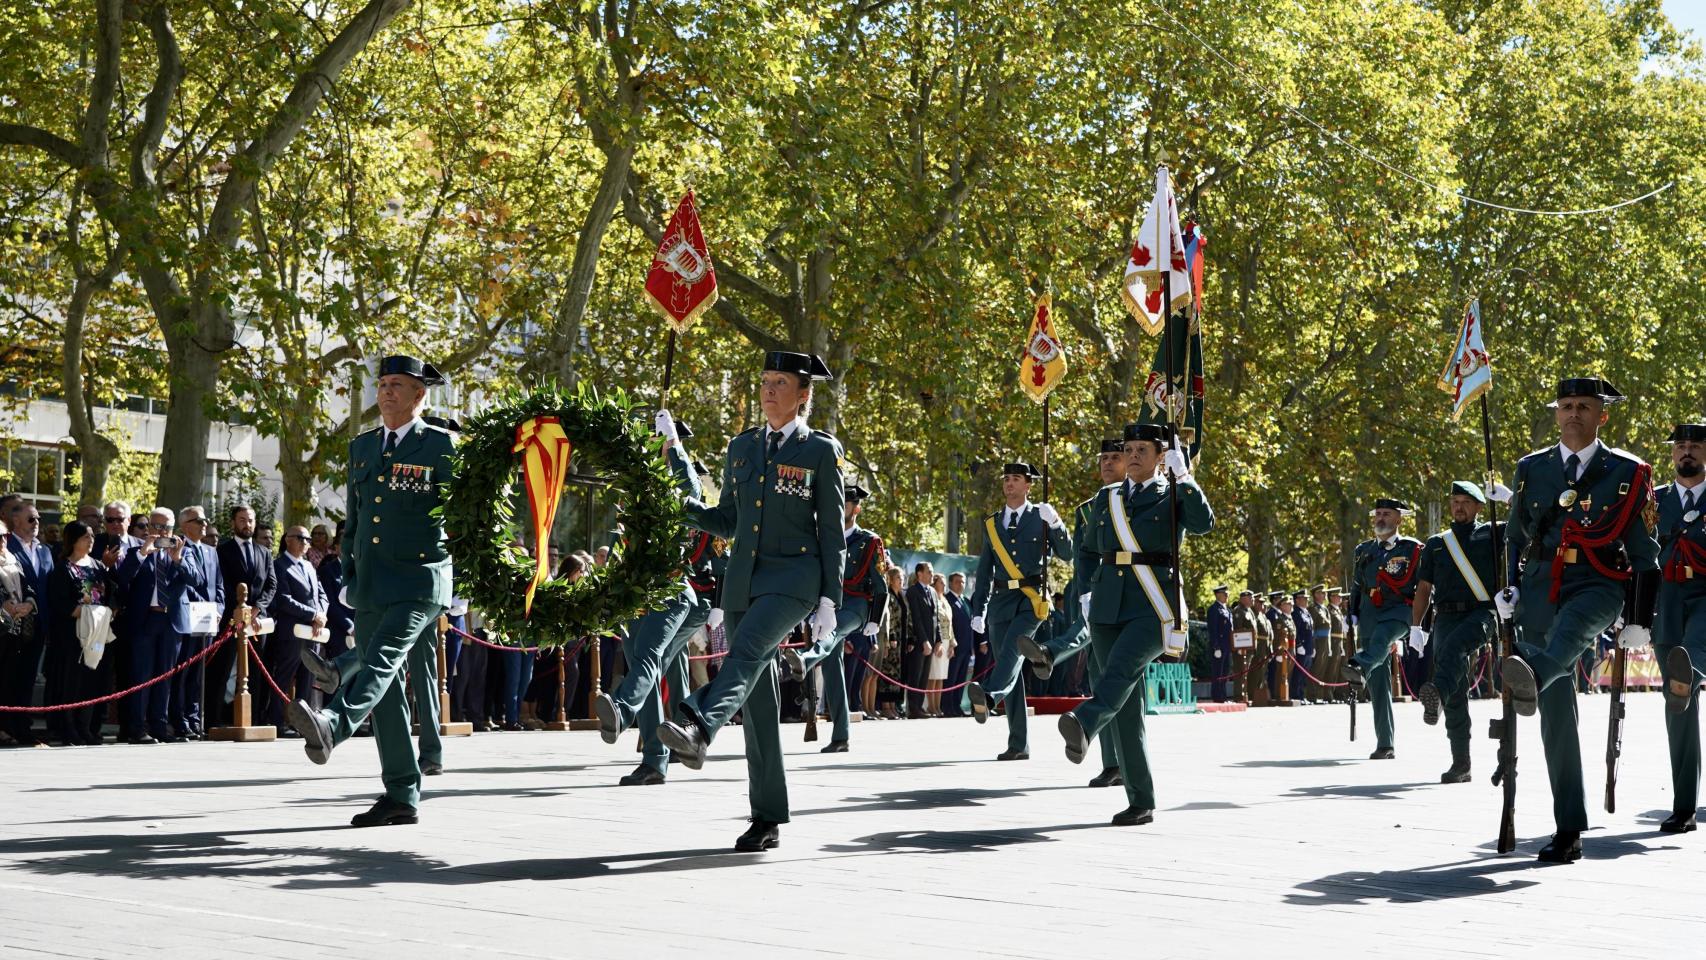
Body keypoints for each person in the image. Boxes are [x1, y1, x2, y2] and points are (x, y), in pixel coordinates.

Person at [656, 350, 845, 852]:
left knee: (745, 655)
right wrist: (680, 497)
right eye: (764, 381)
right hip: (742, 580)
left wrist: (831, 598)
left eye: (780, 382)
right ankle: (766, 817)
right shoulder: (741, 448)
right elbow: (728, 521)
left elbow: (831, 532)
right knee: (757, 699)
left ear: (803, 395)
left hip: (794, 580)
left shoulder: (820, 452)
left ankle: (696, 722)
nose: (767, 390)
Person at [289, 354, 457, 828]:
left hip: (420, 580)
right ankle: (401, 793)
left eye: (397, 384)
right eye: (382, 383)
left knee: (381, 662)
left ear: (420, 394)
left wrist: (461, 578)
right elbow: (358, 518)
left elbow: (467, 519)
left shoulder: (442, 446)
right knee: (385, 694)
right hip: (372, 582)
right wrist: (349, 574)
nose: (385, 392)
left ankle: (333, 724)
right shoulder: (363, 447)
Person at [1497, 377, 1660, 862]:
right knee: (1555, 714)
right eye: (1566, 406)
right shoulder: (1532, 468)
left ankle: (1532, 676)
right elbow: (1514, 535)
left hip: (1598, 583)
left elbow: (1645, 555)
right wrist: (1507, 585)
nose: (1573, 414)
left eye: (1583, 407)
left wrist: (1640, 618)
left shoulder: (1628, 473)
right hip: (1540, 588)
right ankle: (1568, 825)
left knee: (1565, 640)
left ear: (1601, 416)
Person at [1058, 422, 1214, 825]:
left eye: (1142, 449)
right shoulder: (1106, 497)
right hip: (1108, 604)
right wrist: (1086, 592)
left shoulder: (1175, 493)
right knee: (1125, 704)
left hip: (1153, 605)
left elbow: (1203, 524)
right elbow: (1087, 550)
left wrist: (1186, 477)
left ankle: (1085, 721)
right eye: (1128, 448)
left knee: (1122, 670)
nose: (1132, 456)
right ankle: (1140, 800)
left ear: (1161, 455)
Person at [592, 416, 719, 783]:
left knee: (650, 658)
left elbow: (690, 486)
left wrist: (674, 446)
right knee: (646, 670)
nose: (652, 446)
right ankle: (654, 759)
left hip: (672, 590)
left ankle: (620, 709)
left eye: (657, 441)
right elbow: (622, 545)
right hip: (636, 596)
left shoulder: (678, 486)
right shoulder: (636, 491)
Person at [966, 461, 1072, 761]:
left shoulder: (1041, 517)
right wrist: (979, 609)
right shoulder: (992, 523)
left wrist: (1056, 524)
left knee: (1014, 650)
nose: (1009, 484)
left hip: (1031, 600)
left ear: (1028, 485)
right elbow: (985, 570)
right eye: (1007, 479)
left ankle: (989, 696)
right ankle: (1018, 744)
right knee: (1009, 667)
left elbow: (1067, 554)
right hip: (1000, 601)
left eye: (1016, 479)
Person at [1411, 481, 1504, 784]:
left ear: (1479, 506)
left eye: (1466, 501)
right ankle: (1461, 764)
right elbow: (1424, 588)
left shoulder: (1493, 533)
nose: (1459, 507)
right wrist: (1416, 626)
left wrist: (1509, 498)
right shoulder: (1437, 543)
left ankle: (1435, 693)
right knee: (1455, 691)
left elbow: (1528, 526)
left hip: (1482, 612)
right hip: (1446, 617)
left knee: (1451, 655)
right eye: (1454, 501)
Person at [782, 482, 885, 751]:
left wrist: (875, 619)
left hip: (857, 605)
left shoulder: (869, 541)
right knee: (832, 669)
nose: (842, 508)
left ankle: (804, 660)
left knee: (834, 630)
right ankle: (841, 736)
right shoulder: (825, 537)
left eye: (848, 504)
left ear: (857, 508)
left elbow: (881, 585)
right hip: (830, 604)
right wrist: (810, 609)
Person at [1342, 498, 1424, 759]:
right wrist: (1351, 613)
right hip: (1368, 613)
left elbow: (1424, 588)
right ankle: (1385, 744)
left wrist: (1421, 625)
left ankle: (1359, 666)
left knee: (1381, 639)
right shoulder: (1363, 550)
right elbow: (1357, 585)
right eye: (1377, 514)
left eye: (1386, 514)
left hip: (1399, 611)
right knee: (1379, 684)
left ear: (1399, 519)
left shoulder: (1412, 549)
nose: (1380, 518)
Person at [1655, 423, 1706, 833]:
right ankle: (1684, 805)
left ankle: (1689, 672)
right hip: (1667, 606)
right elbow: (1635, 557)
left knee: (1686, 665)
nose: (1686, 451)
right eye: (1681, 446)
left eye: (1695, 445)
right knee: (1678, 701)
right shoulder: (1652, 503)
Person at [210, 505, 277, 728]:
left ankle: (253, 718)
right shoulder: (222, 551)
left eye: (250, 520)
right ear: (232, 523)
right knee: (224, 668)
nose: (246, 524)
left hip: (256, 622)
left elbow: (271, 585)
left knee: (256, 671)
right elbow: (222, 583)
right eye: (241, 520)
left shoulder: (264, 552)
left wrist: (257, 608)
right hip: (232, 618)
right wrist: (240, 609)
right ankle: (216, 717)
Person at [45, 521, 111, 745]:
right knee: (71, 682)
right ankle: (68, 727)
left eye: (92, 536)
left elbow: (110, 593)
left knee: (92, 682)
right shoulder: (63, 568)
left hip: (96, 634)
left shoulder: (98, 566)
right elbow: (59, 602)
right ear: (73, 540)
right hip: (72, 635)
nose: (91, 540)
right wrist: (84, 612)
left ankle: (86, 726)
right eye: (86, 537)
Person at [166, 507, 223, 740]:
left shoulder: (210, 551)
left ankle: (195, 718)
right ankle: (180, 720)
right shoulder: (178, 548)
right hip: (188, 616)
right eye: (198, 520)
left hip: (208, 619)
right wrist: (204, 606)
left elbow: (218, 584)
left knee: (199, 673)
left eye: (205, 520)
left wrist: (217, 608)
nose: (203, 524)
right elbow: (186, 585)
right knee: (184, 671)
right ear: (184, 525)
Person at [268, 525, 330, 729]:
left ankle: (303, 724)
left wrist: (320, 614)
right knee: (284, 677)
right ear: (288, 539)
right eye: (301, 538)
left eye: (308, 539)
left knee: (307, 678)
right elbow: (284, 599)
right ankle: (277, 721)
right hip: (292, 631)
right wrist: (312, 614)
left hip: (313, 631)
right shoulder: (280, 565)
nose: (306, 542)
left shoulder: (310, 566)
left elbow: (321, 595)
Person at [3, 502, 54, 744]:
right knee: (10, 676)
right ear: (16, 522)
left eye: (38, 519)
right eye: (31, 519)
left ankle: (23, 726)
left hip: (38, 622)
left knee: (27, 678)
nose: (37, 524)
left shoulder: (44, 550)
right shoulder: (7, 545)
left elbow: (46, 587)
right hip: (11, 625)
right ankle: (8, 727)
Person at [0, 515, 40, 746]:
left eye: (5, 535)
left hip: (14, 629)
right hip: (2, 625)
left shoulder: (12, 559)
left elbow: (28, 587)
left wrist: (29, 603)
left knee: (9, 680)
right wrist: (4, 603)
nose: (3, 540)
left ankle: (6, 727)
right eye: (0, 536)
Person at [902, 562, 938, 719]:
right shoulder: (912, 591)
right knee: (915, 675)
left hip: (932, 639)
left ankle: (920, 706)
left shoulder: (933, 591)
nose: (932, 574)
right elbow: (916, 618)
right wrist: (924, 640)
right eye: (929, 572)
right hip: (919, 641)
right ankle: (913, 708)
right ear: (919, 574)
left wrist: (937, 641)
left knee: (924, 676)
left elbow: (935, 617)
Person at [874, 566, 907, 719]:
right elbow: (889, 620)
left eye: (902, 578)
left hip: (901, 642)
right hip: (891, 640)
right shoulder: (889, 596)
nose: (902, 581)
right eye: (899, 578)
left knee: (896, 676)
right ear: (891, 579)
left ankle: (893, 706)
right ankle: (885, 706)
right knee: (887, 672)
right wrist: (891, 637)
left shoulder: (901, 596)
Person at [942, 572, 975, 717]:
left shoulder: (966, 601)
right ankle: (947, 707)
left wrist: (972, 646)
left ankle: (957, 705)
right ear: (950, 584)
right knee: (951, 678)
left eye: (962, 582)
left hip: (967, 647)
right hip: (954, 647)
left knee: (961, 679)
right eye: (957, 582)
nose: (960, 584)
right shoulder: (947, 600)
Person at [1229, 589, 1262, 705]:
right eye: (1251, 598)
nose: (1253, 600)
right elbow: (1237, 630)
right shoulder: (1239, 611)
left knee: (1245, 672)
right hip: (1242, 648)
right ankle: (1239, 696)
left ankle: (1244, 694)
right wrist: (1238, 648)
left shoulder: (1249, 611)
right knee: (1240, 672)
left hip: (1249, 648)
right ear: (1243, 599)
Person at [1207, 585, 1233, 702]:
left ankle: (1223, 695)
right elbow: (1213, 630)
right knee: (1218, 672)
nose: (1227, 596)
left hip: (1227, 646)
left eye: (1227, 594)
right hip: (1219, 647)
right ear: (1218, 595)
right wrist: (1215, 646)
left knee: (1225, 672)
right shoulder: (1214, 609)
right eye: (1225, 594)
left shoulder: (1227, 610)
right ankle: (1217, 696)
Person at [1290, 588, 1315, 703]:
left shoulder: (1306, 612)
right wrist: (1299, 645)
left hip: (1308, 647)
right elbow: (1297, 631)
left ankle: (1302, 694)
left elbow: (1311, 631)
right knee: (1298, 673)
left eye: (1306, 599)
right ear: (1297, 600)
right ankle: (1296, 695)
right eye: (1303, 599)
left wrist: (1312, 647)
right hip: (1302, 648)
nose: (1306, 600)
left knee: (1305, 673)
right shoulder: (1295, 613)